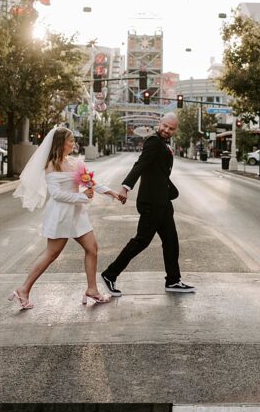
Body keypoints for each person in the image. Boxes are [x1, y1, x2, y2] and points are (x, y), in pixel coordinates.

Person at [10, 127, 121, 309]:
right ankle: (23, 289)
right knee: (51, 254)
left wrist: (113, 193)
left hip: (77, 214)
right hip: (60, 215)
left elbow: (92, 183)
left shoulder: (76, 163)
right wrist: (83, 197)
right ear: (61, 143)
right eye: (70, 140)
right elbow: (57, 194)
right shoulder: (51, 166)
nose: (73, 143)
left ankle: (92, 289)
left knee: (92, 248)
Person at [100, 113, 195, 296]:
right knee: (141, 241)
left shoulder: (163, 143)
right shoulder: (153, 141)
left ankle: (173, 281)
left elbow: (159, 171)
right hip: (152, 202)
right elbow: (140, 165)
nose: (167, 130)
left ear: (175, 130)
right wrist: (125, 187)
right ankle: (109, 275)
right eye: (165, 126)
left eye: (171, 128)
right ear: (160, 124)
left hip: (162, 201)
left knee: (171, 241)